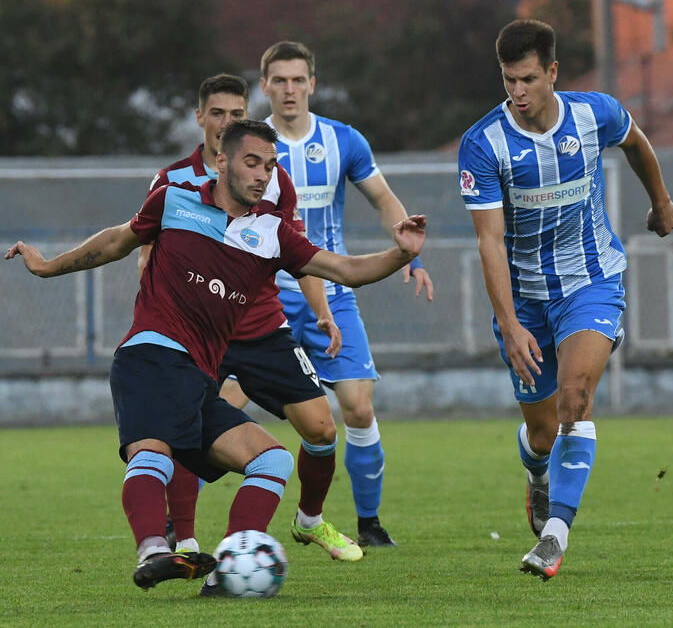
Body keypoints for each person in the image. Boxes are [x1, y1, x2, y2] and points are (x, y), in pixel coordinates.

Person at [5, 120, 425, 591]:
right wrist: (47, 267)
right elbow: (114, 242)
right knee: (153, 453)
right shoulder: (172, 200)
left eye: (270, 166)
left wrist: (401, 253)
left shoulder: (273, 233)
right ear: (222, 161)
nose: (263, 175)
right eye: (252, 162)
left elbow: (345, 269)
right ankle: (155, 552)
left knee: (272, 460)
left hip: (199, 377)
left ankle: (227, 571)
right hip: (151, 355)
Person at [459, 19, 673, 581]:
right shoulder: (483, 144)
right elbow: (489, 241)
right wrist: (510, 324)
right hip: (526, 300)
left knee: (576, 397)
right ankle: (536, 471)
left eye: (528, 79)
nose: (518, 91)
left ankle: (554, 537)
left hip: (591, 281)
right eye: (509, 80)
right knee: (542, 434)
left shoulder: (593, 113)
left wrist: (660, 201)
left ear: (553, 72)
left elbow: (636, 142)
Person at [140, 74, 365, 581]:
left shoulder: (272, 178)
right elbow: (147, 253)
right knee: (184, 431)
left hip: (263, 328)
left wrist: (323, 311)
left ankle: (310, 521)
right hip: (198, 334)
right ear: (201, 118)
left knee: (322, 429)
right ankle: (188, 541)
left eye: (236, 113)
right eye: (217, 113)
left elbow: (297, 253)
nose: (226, 122)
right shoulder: (173, 181)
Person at [254, 41, 433, 548]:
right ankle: (179, 526)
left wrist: (410, 253)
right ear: (264, 86)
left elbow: (382, 198)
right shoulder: (252, 146)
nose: (289, 90)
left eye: (298, 80)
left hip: (332, 292)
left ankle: (369, 523)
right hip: (262, 298)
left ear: (312, 84)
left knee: (357, 408)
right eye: (279, 80)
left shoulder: (343, 141)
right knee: (222, 402)